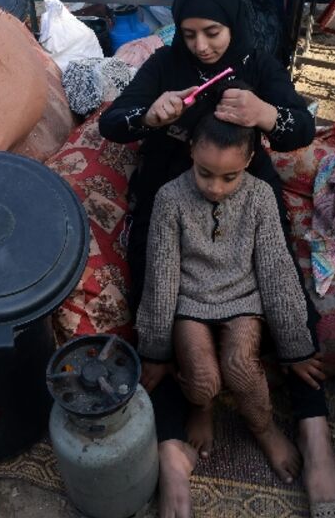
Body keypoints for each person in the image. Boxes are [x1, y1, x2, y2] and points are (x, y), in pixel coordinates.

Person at [100, 0, 335, 518]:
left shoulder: (255, 61)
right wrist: (151, 113)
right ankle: (173, 456)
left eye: (212, 32)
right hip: (171, 185)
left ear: (232, 23)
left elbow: (301, 127)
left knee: (284, 273)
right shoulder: (165, 64)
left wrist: (265, 113)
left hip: (245, 180)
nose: (202, 45)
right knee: (152, 295)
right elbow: (112, 124)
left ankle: (314, 436)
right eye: (189, 33)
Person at [137, 113, 320, 490]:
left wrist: (296, 348)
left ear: (249, 161)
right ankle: (203, 408)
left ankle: (264, 427)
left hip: (242, 298)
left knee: (240, 367)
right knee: (203, 379)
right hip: (190, 300)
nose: (216, 188)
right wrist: (154, 352)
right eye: (205, 173)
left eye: (229, 177)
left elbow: (276, 272)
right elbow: (161, 277)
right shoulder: (170, 198)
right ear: (191, 152)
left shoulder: (260, 197)